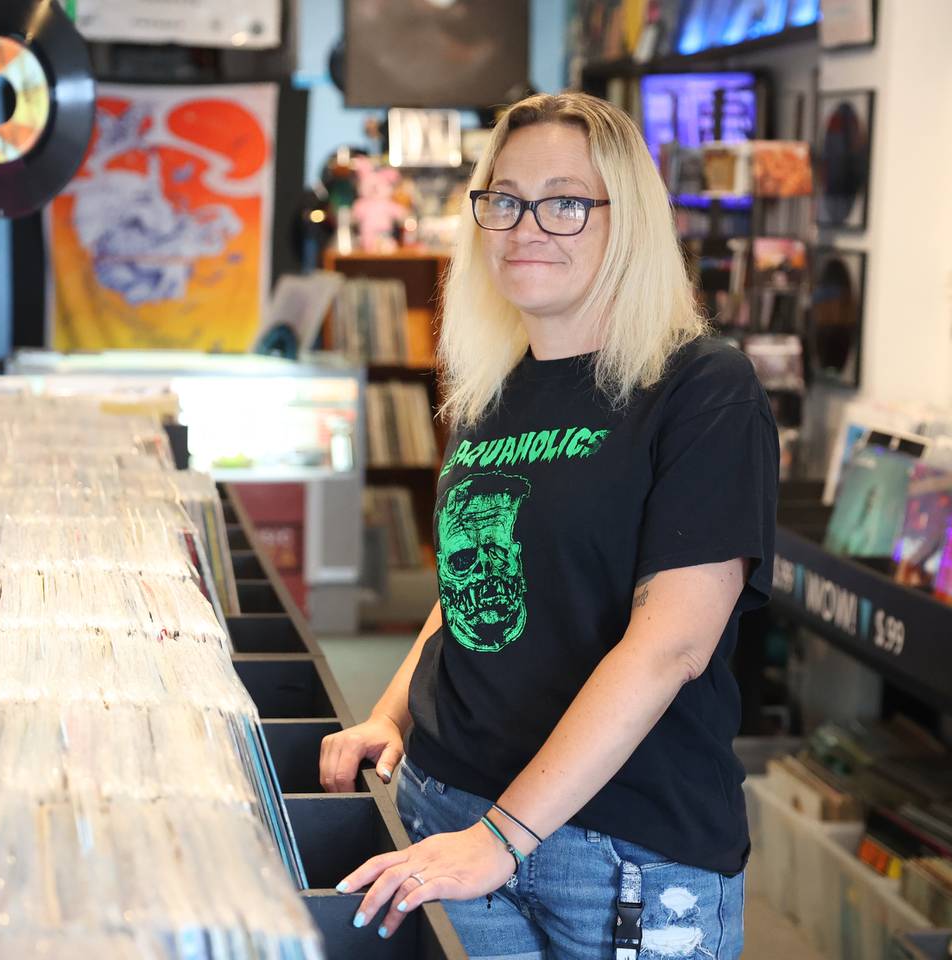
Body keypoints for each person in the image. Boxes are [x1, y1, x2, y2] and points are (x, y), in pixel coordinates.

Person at [319, 92, 778, 959]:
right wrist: (391, 716)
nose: (527, 224)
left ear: (628, 221)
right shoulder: (494, 387)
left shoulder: (702, 390)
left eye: (566, 200)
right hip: (444, 809)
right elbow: (471, 579)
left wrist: (501, 839)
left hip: (618, 857)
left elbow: (671, 645)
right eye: (504, 197)